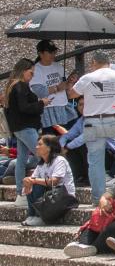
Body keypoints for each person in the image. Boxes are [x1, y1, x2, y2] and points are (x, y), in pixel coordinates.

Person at [70, 52, 115, 197]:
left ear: (94, 62)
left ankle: (98, 199)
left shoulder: (87, 78)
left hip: (92, 123)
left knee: (95, 162)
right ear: (108, 63)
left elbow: (72, 94)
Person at [6, 59, 45, 208]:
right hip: (26, 127)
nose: (32, 76)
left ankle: (20, 193)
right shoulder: (20, 86)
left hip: (19, 128)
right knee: (43, 155)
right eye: (31, 72)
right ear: (24, 70)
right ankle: (37, 188)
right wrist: (41, 103)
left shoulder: (12, 86)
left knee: (21, 160)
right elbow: (25, 107)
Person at [21, 134, 74, 227]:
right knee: (32, 184)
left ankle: (41, 217)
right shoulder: (41, 164)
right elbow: (33, 179)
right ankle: (32, 215)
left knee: (36, 184)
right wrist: (27, 183)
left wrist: (33, 181)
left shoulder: (59, 160)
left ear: (49, 148)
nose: (36, 147)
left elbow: (54, 182)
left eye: (40, 144)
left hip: (64, 196)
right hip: (51, 194)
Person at [31, 40, 75, 129]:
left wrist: (70, 81)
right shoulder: (36, 69)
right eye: (50, 52)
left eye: (54, 52)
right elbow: (39, 92)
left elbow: (66, 85)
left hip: (62, 106)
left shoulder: (58, 66)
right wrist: (57, 88)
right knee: (50, 139)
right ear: (40, 53)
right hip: (48, 109)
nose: (53, 54)